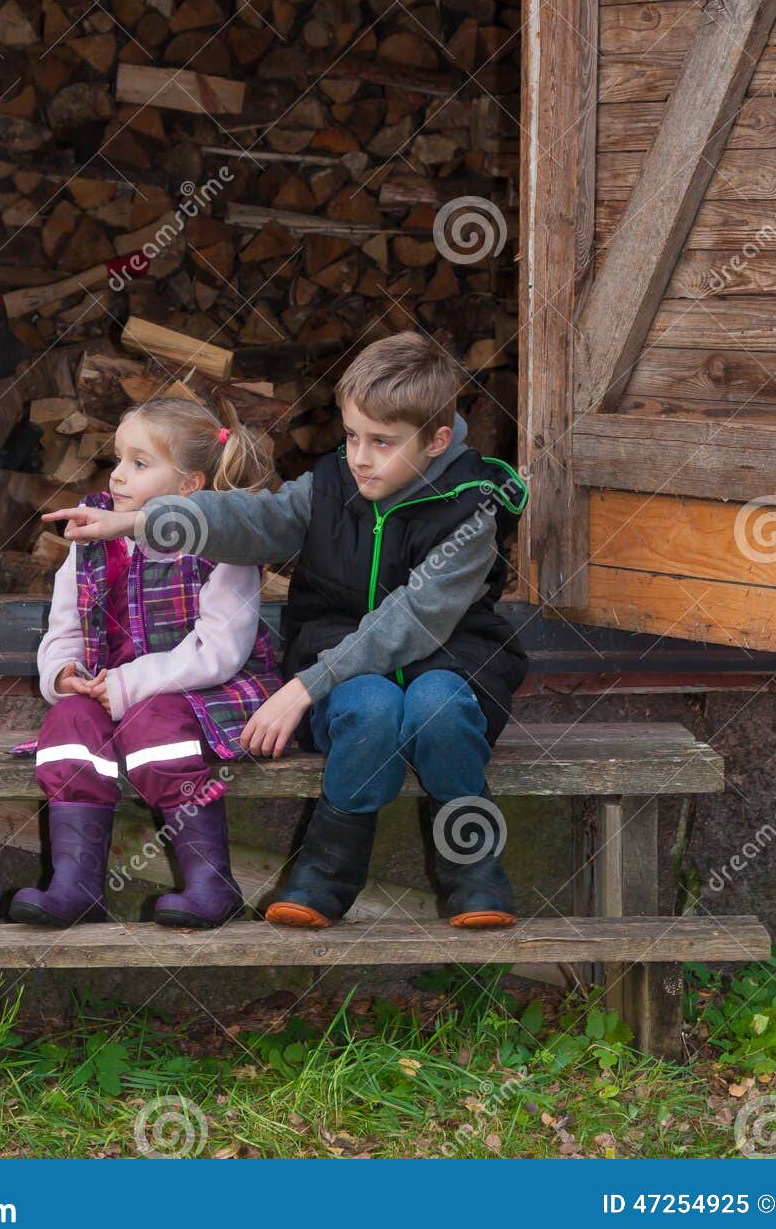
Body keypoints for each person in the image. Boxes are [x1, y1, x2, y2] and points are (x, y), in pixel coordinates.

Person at [46, 332, 529, 931]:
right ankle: (325, 874)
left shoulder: (471, 504)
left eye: (382, 442)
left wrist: (301, 688)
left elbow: (418, 614)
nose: (360, 457)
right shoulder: (330, 485)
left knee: (436, 706)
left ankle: (476, 872)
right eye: (352, 436)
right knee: (372, 707)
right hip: (344, 665)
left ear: (435, 440)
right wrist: (140, 520)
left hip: (452, 661)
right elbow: (256, 518)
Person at [10, 394, 282, 930]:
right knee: (65, 726)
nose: (118, 477)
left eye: (139, 464)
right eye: (117, 460)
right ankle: (76, 884)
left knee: (155, 728)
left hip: (198, 688)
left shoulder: (222, 547)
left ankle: (210, 883)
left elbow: (219, 651)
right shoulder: (93, 535)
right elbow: (65, 623)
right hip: (106, 687)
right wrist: (64, 673)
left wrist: (132, 684)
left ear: (189, 487)